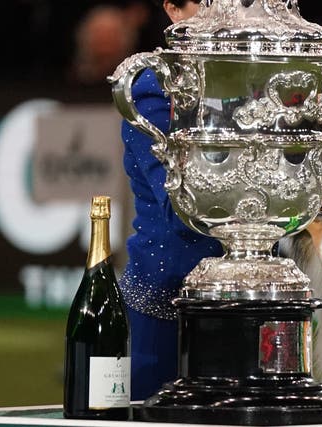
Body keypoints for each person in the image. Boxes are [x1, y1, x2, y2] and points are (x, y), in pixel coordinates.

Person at [117, 0, 222, 401]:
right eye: (206, 2)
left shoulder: (260, 78)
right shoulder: (153, 84)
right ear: (172, 10)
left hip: (246, 295)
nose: (222, 11)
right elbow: (178, 204)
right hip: (167, 292)